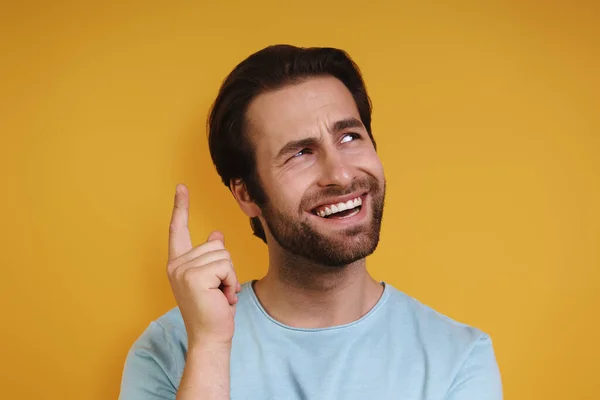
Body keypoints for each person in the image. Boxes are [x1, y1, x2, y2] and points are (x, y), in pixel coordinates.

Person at [118, 44, 503, 400]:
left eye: (350, 137)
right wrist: (211, 347)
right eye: (301, 153)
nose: (340, 174)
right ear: (245, 194)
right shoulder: (171, 350)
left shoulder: (458, 359)